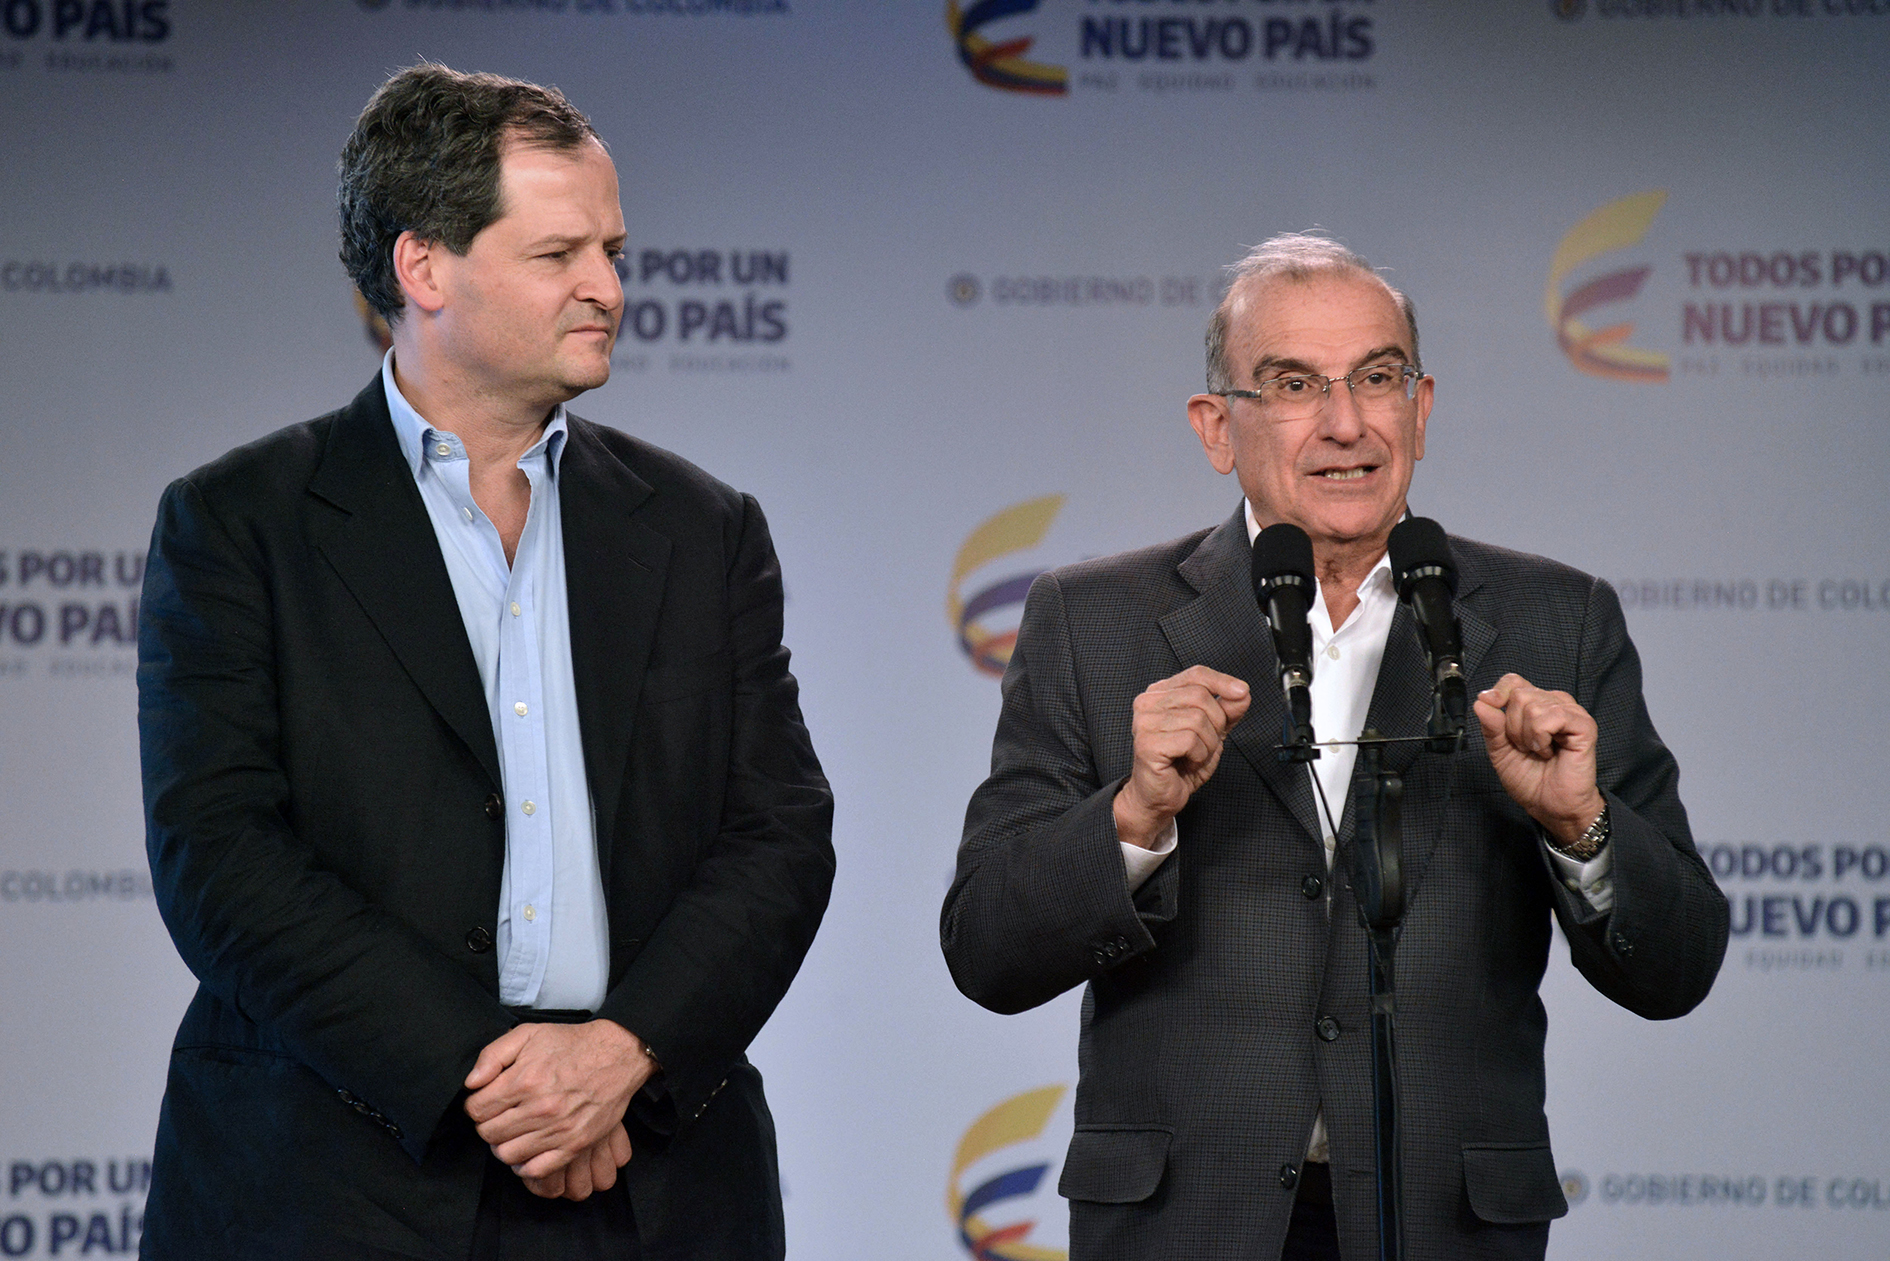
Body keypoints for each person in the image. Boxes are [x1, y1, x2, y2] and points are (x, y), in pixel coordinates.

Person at [136, 64, 834, 1260]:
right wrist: (497, 1079)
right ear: (424, 268)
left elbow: (779, 835)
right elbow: (221, 859)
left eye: (613, 250)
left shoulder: (704, 526)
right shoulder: (240, 521)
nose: (608, 287)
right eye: (560, 253)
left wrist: (619, 1057)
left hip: (652, 1176)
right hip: (338, 1176)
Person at [940, 233, 1728, 1260]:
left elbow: (1677, 966)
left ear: (1422, 408)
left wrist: (1581, 825)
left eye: (1377, 377)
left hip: (1442, 1224)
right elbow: (987, 948)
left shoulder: (1555, 622)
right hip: (1184, 1225)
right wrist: (1132, 819)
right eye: (1294, 384)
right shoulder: (1095, 622)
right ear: (1216, 426)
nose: (1346, 421)